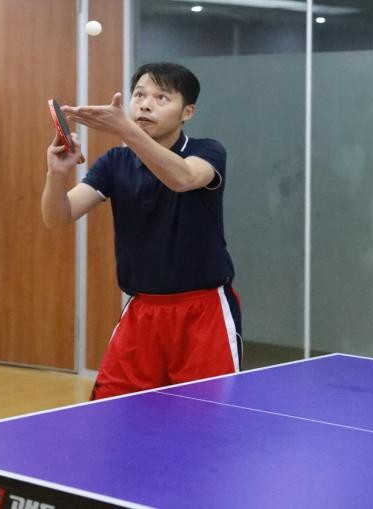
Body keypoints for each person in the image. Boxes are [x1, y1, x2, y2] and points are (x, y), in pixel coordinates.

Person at [42, 62, 242, 400]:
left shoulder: (207, 151)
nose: (145, 105)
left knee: (205, 422)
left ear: (187, 112)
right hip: (142, 311)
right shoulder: (115, 163)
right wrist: (56, 175)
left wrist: (125, 129)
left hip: (202, 313)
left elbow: (183, 178)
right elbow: (58, 217)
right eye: (139, 95)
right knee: (114, 412)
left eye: (161, 98)